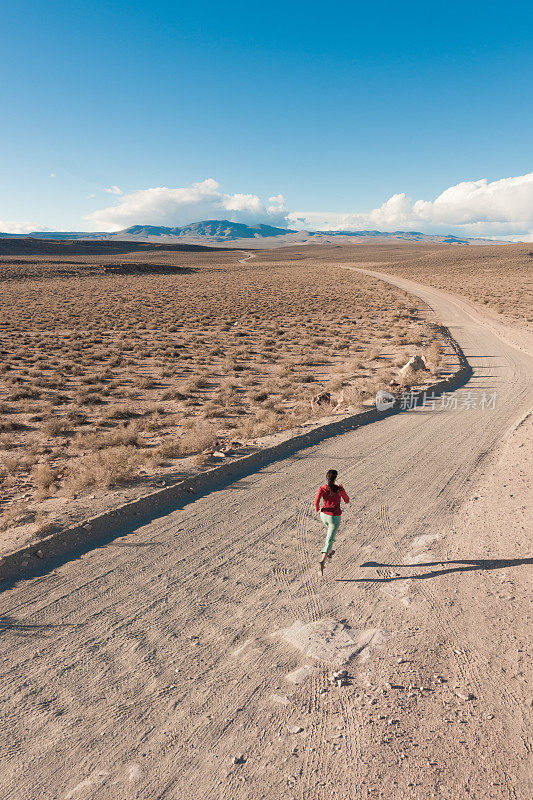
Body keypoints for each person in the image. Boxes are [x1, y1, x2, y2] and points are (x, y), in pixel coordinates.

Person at [314, 469, 350, 574]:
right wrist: (342, 489)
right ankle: (322, 561)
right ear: (335, 478)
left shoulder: (322, 488)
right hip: (334, 517)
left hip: (323, 515)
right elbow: (347, 500)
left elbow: (316, 502)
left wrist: (317, 509)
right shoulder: (338, 489)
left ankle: (329, 551)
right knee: (329, 539)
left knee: (331, 534)